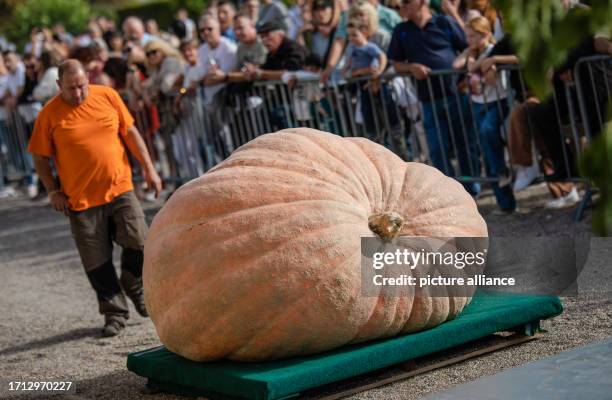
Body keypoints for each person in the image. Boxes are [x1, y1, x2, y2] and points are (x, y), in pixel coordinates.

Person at [28, 60, 162, 337]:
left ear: (88, 78)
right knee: (96, 260)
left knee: (141, 240)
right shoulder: (48, 114)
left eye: (81, 86)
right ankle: (114, 313)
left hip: (120, 186)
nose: (78, 93)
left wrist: (149, 168)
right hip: (80, 199)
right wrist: (53, 190)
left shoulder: (108, 96)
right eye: (71, 89)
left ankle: (133, 282)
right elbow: (40, 156)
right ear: (58, 86)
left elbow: (130, 132)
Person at [388, 0, 481, 195]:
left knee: (465, 142)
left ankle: (472, 188)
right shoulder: (401, 30)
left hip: (457, 93)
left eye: (406, 2)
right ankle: (446, 192)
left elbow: (469, 46)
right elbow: (396, 64)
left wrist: (463, 66)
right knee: (437, 147)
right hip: (428, 98)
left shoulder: (444, 23)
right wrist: (411, 68)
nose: (401, 5)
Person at [454, 16, 515, 212]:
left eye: (472, 36)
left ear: (485, 35)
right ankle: (506, 205)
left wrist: (475, 60)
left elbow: (489, 78)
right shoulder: (474, 52)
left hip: (497, 101)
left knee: (488, 130)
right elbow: (457, 65)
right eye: (467, 36)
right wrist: (470, 53)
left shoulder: (492, 51)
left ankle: (502, 170)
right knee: (488, 155)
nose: (468, 40)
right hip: (478, 103)